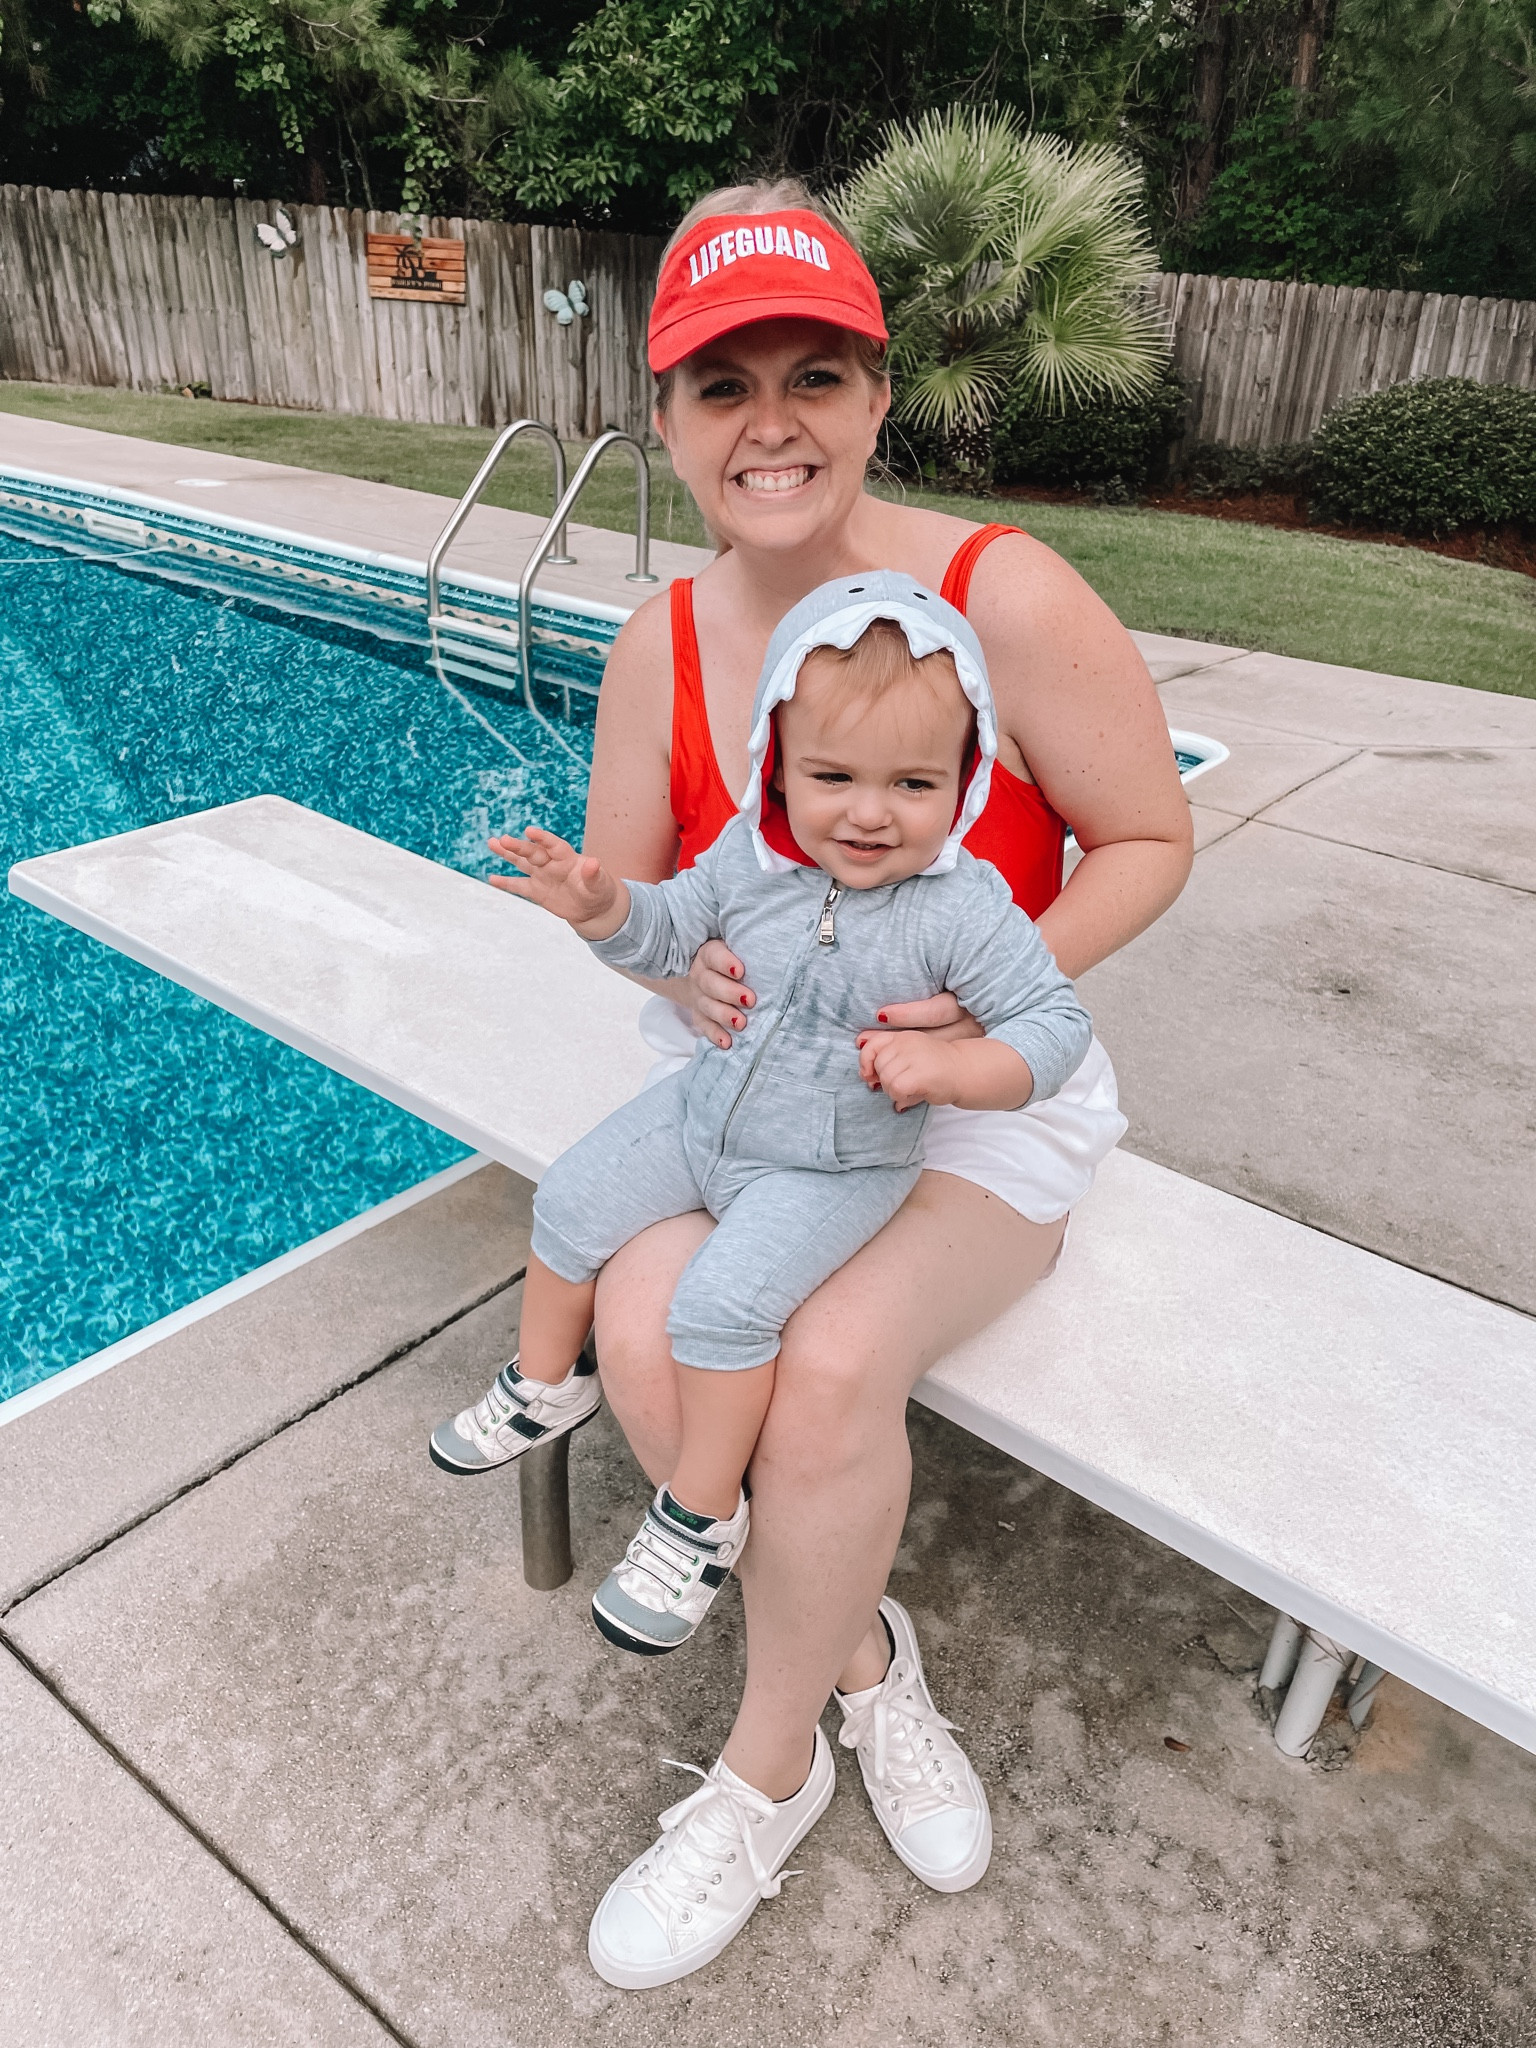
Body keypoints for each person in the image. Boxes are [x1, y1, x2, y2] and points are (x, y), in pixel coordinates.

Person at [431, 180, 1193, 1990]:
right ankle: (860, 1654)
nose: (769, 421)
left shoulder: (992, 589)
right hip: (759, 1080)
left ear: (872, 394)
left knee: (828, 1364)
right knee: (639, 1315)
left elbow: (1151, 835)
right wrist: (649, 940)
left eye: (813, 374)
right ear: (668, 411)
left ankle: (764, 1777)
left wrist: (961, 1021)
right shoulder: (653, 647)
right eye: (722, 384)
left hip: (976, 1090)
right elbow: (634, 895)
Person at [474, 577, 1091, 1674]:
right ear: (778, 762)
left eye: (912, 782)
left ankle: (699, 1514)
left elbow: (1054, 1027)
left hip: (833, 1163)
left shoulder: (964, 906)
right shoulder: (750, 864)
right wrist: (601, 906)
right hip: (706, 1111)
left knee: (718, 1306)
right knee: (567, 1199)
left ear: (965, 781)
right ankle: (543, 1383)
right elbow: (662, 929)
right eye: (833, 776)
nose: (869, 812)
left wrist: (956, 1064)